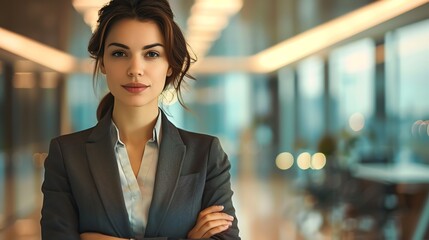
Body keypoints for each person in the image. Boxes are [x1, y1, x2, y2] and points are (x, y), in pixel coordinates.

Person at [40, 0, 240, 239]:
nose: (135, 68)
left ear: (170, 65)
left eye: (152, 54)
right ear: (103, 62)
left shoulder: (206, 154)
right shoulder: (66, 155)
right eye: (119, 53)